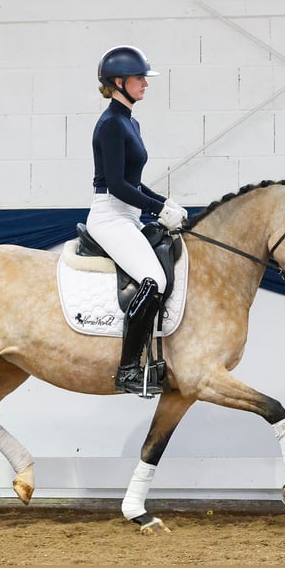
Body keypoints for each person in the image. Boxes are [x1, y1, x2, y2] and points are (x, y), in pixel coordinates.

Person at [86, 45, 188, 395]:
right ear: (118, 81)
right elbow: (116, 185)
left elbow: (132, 182)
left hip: (126, 214)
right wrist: (157, 210)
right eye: (139, 78)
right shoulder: (111, 124)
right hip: (110, 216)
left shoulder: (130, 121)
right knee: (154, 279)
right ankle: (128, 370)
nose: (145, 83)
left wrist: (163, 202)